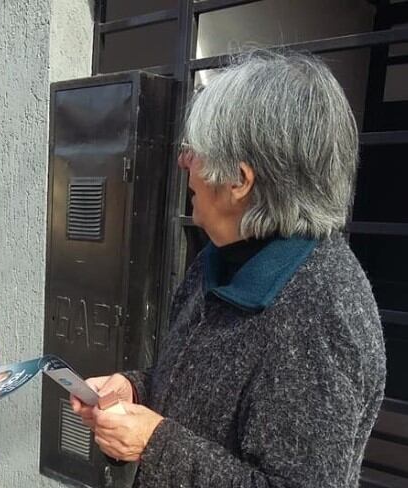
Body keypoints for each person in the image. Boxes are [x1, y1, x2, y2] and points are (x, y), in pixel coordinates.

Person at [71, 51, 386, 487]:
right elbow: (205, 399)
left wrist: (153, 445)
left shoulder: (319, 313)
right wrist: (136, 390)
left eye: (194, 150)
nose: (184, 163)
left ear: (239, 180)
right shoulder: (221, 257)